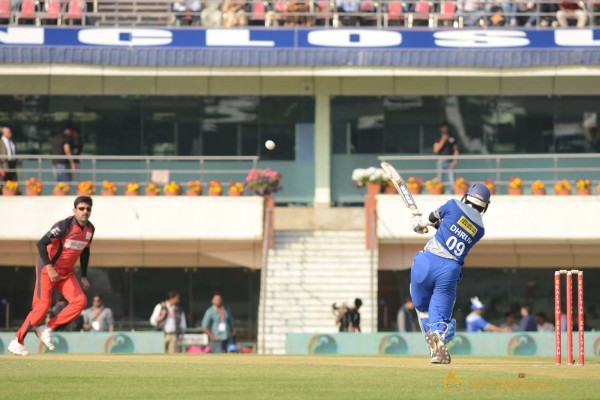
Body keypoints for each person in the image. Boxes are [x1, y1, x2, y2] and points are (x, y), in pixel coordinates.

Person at [408, 183, 491, 364]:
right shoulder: (480, 229)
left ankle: (436, 346)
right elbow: (451, 229)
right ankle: (441, 334)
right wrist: (430, 224)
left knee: (422, 309)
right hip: (449, 270)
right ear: (485, 206)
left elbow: (430, 219)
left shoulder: (453, 205)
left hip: (426, 262)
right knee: (441, 319)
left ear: (466, 196)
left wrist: (419, 223)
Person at [7, 196, 95, 356]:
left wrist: (83, 276)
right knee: (42, 307)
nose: (85, 212)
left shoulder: (90, 230)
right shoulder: (64, 225)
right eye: (81, 209)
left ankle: (47, 328)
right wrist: (50, 267)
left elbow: (85, 252)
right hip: (48, 270)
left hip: (67, 273)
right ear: (74, 210)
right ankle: (17, 342)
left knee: (80, 301)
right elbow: (41, 243)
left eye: (88, 209)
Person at [433, 122, 459, 188]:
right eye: (443, 128)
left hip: (450, 162)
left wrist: (455, 162)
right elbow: (435, 150)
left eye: (446, 128)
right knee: (439, 180)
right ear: (440, 129)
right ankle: (438, 193)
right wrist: (443, 140)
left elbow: (456, 150)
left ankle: (453, 193)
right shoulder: (438, 138)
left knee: (452, 180)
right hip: (441, 161)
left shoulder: (452, 138)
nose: (444, 129)